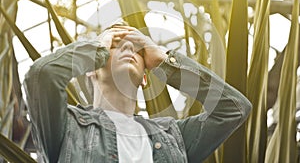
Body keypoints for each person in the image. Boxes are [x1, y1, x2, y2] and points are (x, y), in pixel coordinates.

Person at [24, 24, 252, 163]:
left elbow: (234, 108)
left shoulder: (174, 136)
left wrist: (164, 62)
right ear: (92, 70)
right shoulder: (67, 127)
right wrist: (96, 48)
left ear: (145, 77)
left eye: (136, 48)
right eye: (115, 46)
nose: (127, 48)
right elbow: (42, 75)